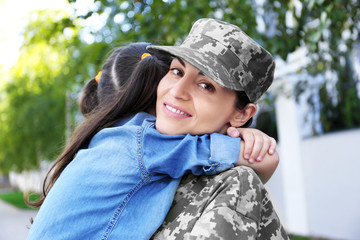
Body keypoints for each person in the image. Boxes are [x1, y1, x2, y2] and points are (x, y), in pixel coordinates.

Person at [26, 19, 284, 240]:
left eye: (206, 85)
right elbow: (266, 160)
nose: (178, 91)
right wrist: (243, 140)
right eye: (176, 71)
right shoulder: (146, 142)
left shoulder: (121, 139)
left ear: (243, 114)